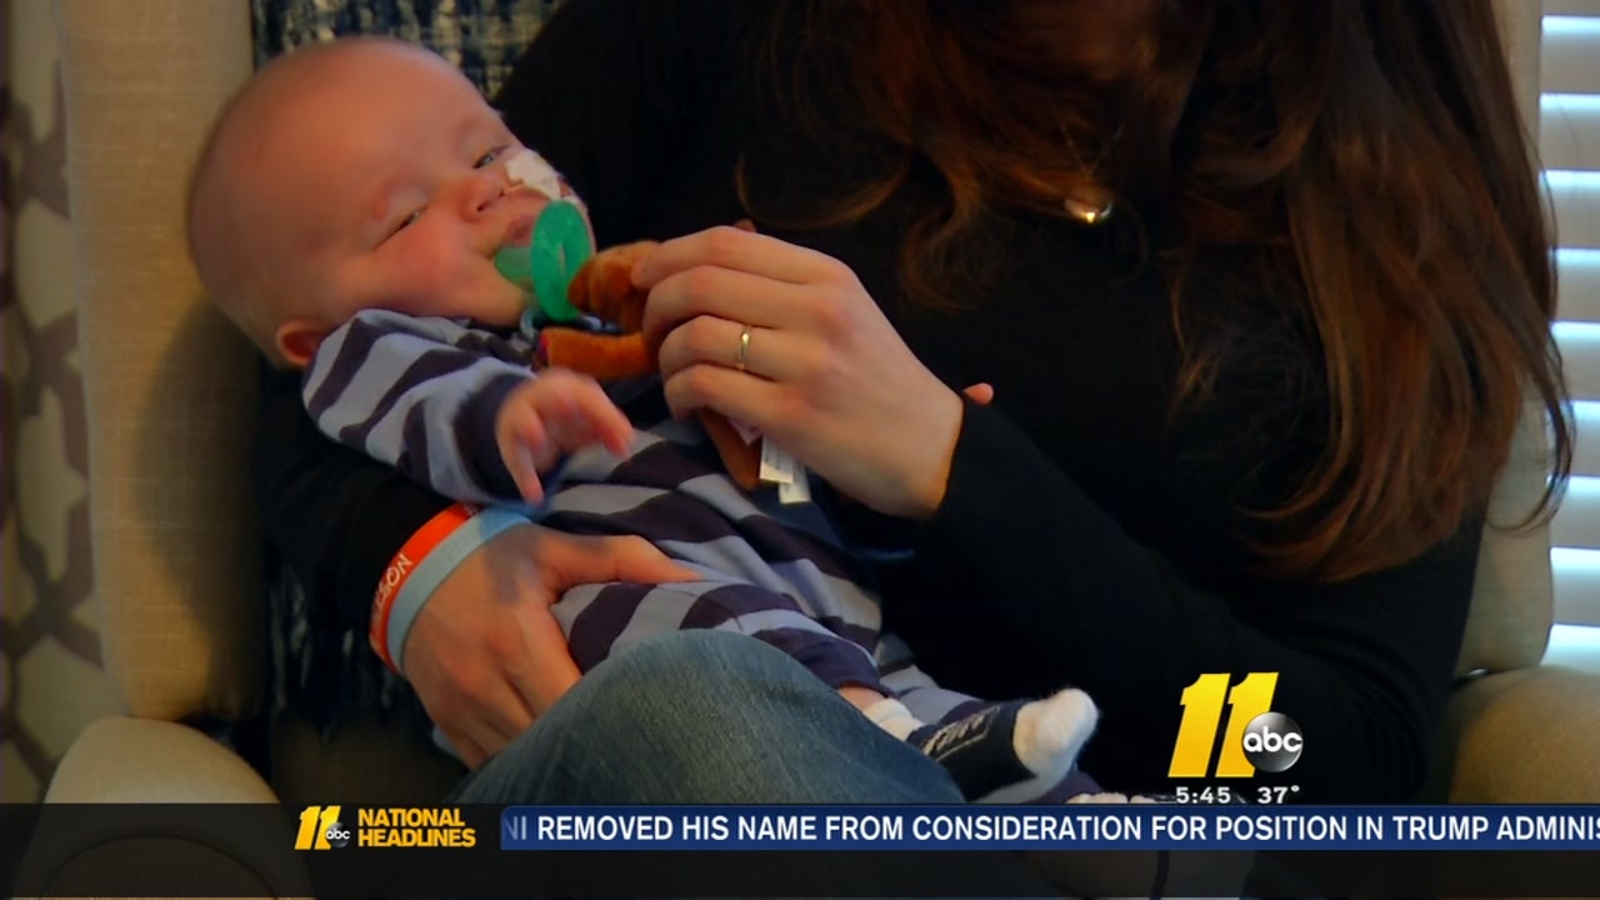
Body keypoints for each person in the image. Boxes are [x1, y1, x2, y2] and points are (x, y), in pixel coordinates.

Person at [248, 0, 1570, 812]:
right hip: (671, 786)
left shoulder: (1400, 205)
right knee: (691, 706)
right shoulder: (728, 24)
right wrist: (418, 568)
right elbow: (319, 343)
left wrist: (950, 467)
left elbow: (1332, 758)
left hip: (1095, 832)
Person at [189, 38, 1108, 804]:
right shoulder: (382, 347)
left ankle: (1107, 837)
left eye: (484, 154)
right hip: (627, 634)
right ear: (310, 337)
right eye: (400, 218)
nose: (482, 192)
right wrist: (512, 416)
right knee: (701, 661)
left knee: (956, 717)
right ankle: (891, 743)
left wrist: (904, 464)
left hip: (829, 618)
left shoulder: (620, 320)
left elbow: (787, 470)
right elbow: (416, 408)